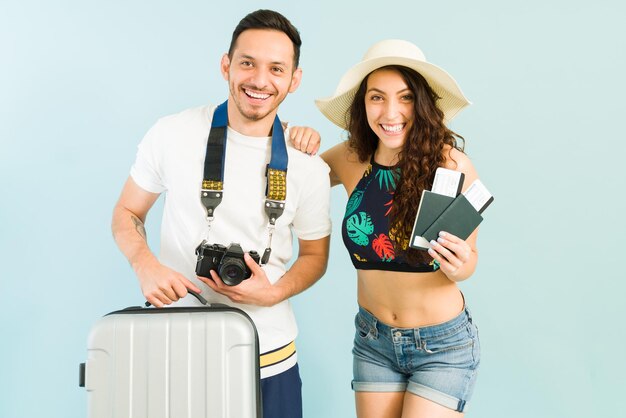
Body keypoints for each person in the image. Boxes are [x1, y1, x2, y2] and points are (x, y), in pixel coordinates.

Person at [111, 9, 331, 418]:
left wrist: (274, 292)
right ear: (226, 65)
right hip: (180, 347)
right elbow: (126, 211)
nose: (260, 80)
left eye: (276, 68)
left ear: (294, 80)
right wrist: (145, 265)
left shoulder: (307, 166)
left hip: (271, 356)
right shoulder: (172, 133)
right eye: (247, 63)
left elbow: (316, 257)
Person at [315, 39, 481, 417]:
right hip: (373, 341)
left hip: (442, 346)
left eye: (405, 97)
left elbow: (470, 261)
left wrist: (459, 265)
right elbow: (289, 183)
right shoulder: (349, 157)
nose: (391, 111)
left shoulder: (453, 166)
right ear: (363, 105)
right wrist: (295, 145)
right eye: (377, 97)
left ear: (421, 104)